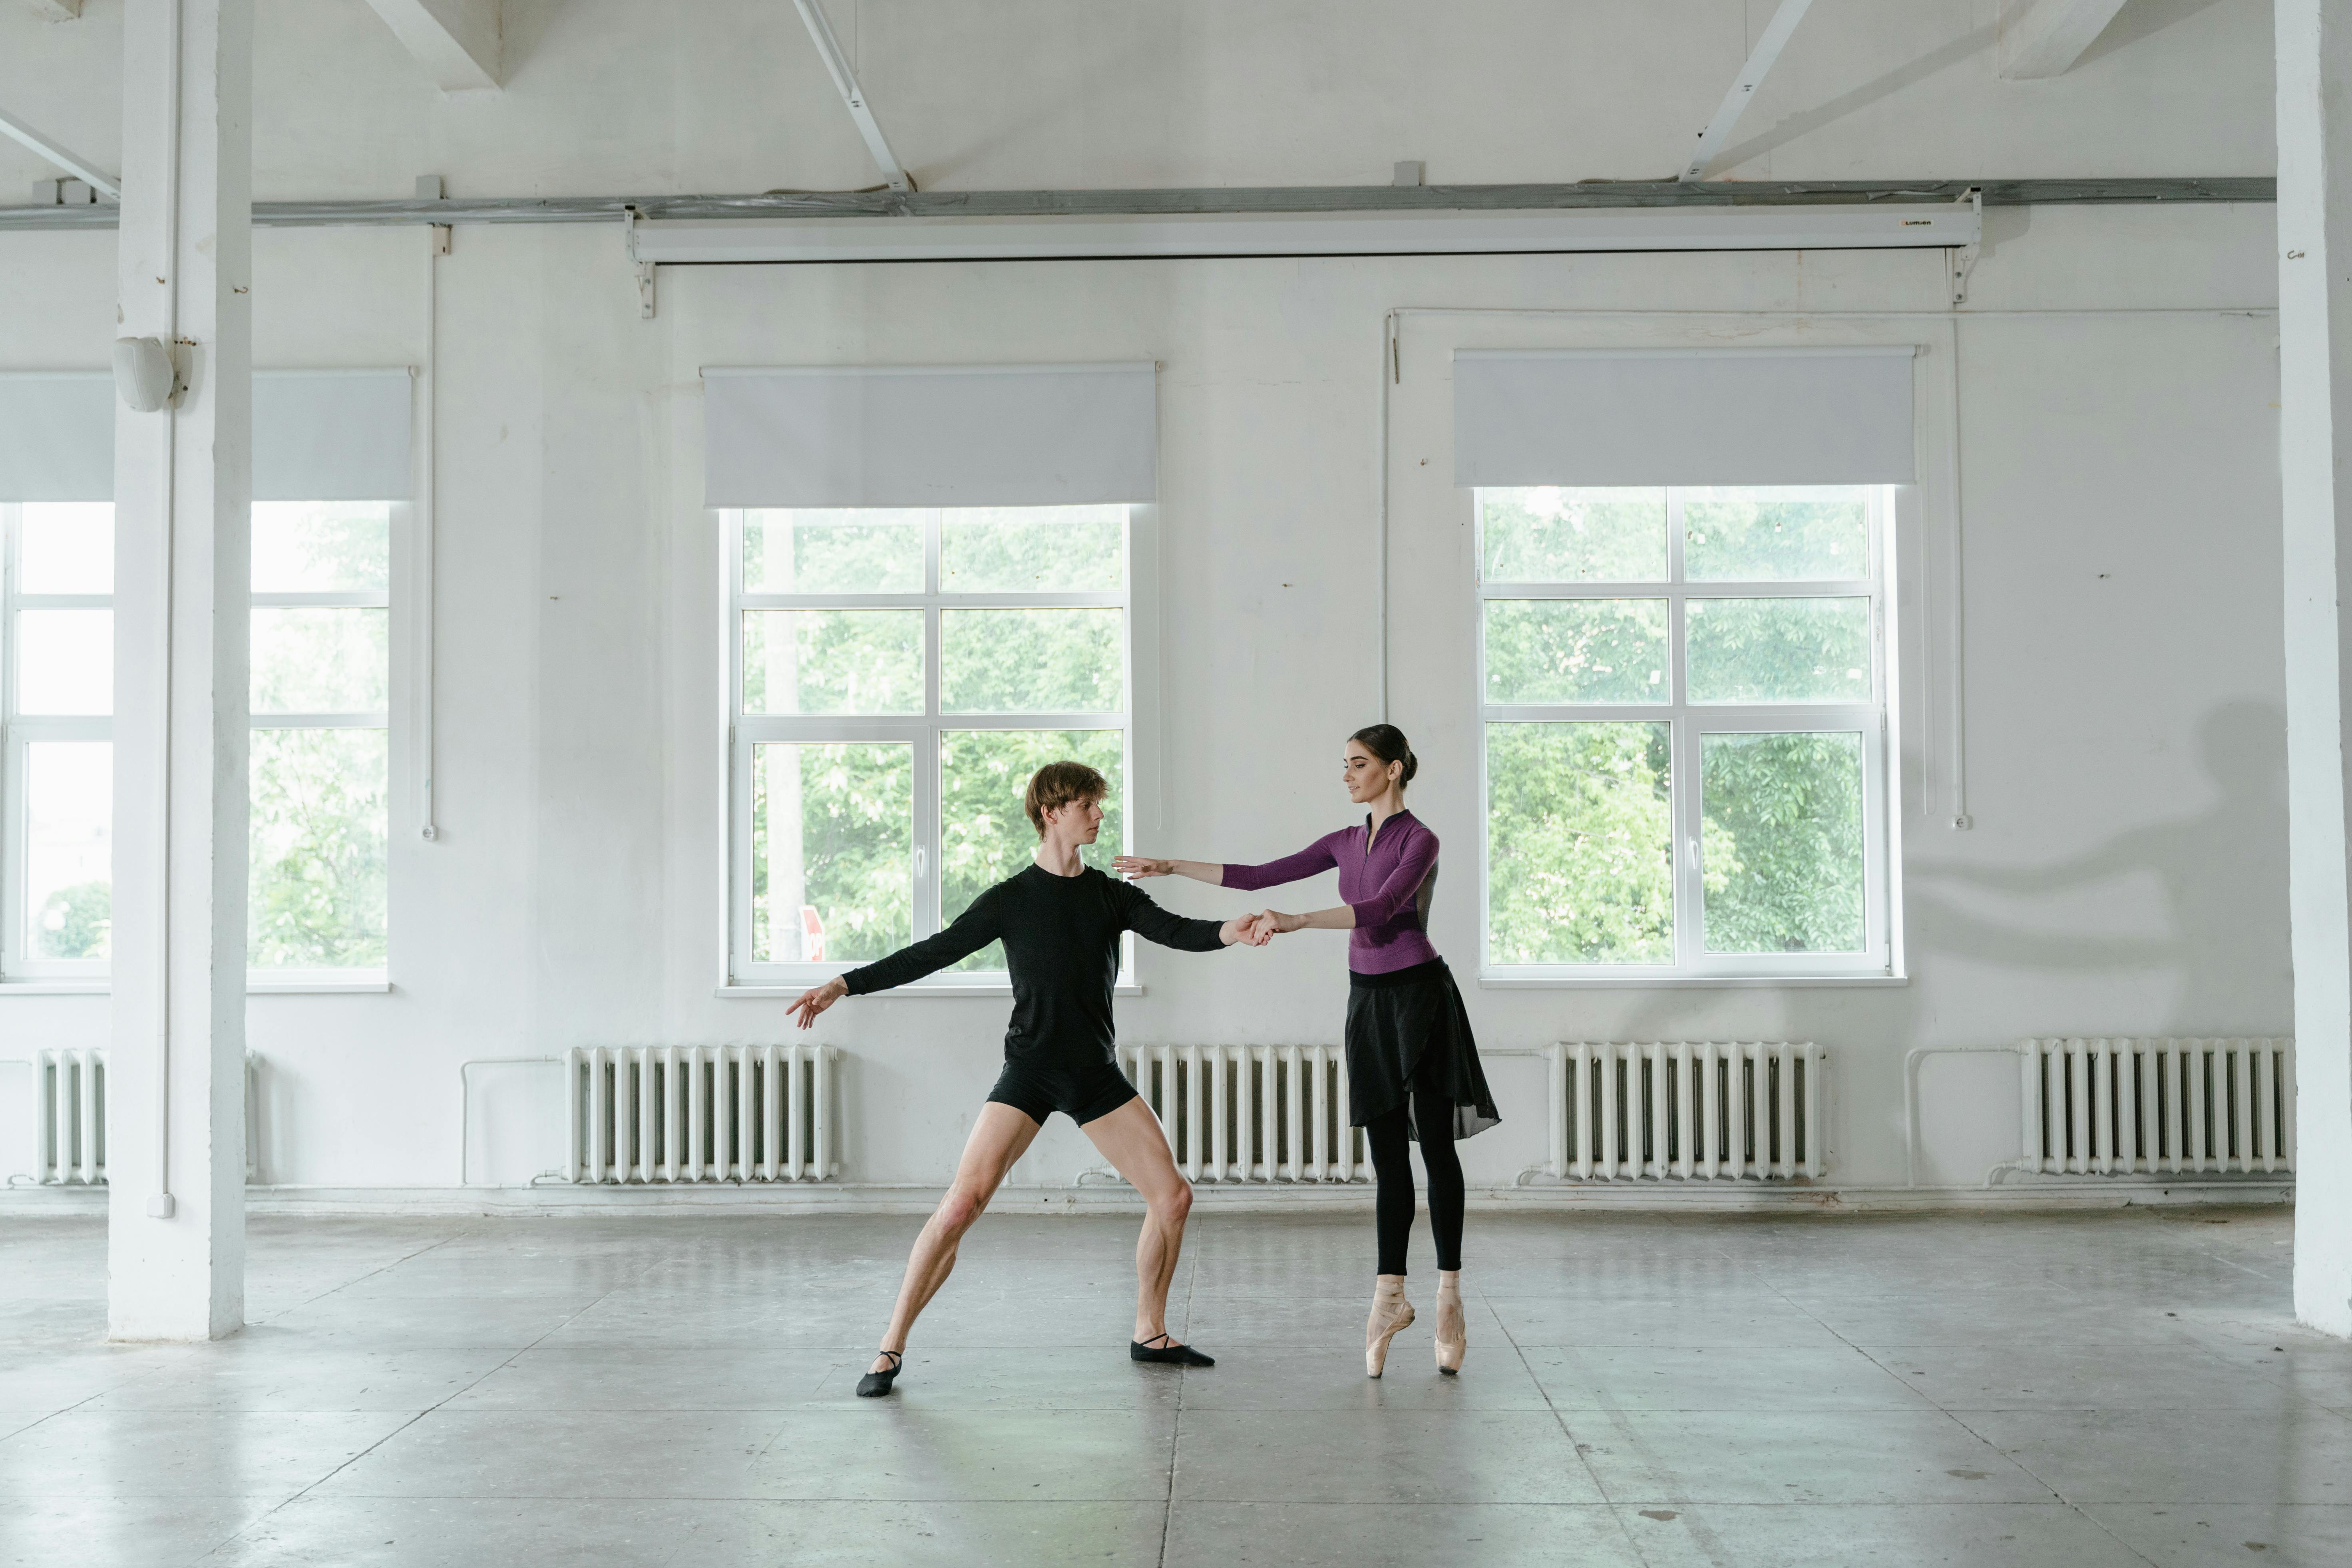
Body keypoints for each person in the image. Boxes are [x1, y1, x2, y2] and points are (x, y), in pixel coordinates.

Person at [789, 760, 1274, 1398]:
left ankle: (1150, 1332)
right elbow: (931, 953)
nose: (1099, 815)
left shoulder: (1110, 895)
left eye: (1099, 805)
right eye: (1088, 806)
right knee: (962, 1204)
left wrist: (1227, 933)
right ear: (1052, 811)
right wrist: (842, 984)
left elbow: (1175, 930)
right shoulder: (1010, 901)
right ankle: (890, 1345)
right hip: (1030, 1072)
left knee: (1173, 1198)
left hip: (1095, 1073)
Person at [1116, 724, 1497, 1378]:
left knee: (1433, 1145)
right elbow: (1261, 874)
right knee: (1385, 1156)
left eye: (1359, 764)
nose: (1346, 775)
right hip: (1368, 1002)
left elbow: (1381, 907)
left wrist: (1296, 921)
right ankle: (1388, 1299)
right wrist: (1171, 866)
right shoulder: (1344, 841)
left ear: (1395, 770)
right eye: (1344, 765)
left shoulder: (1420, 839)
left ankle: (1449, 1299)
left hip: (1420, 999)